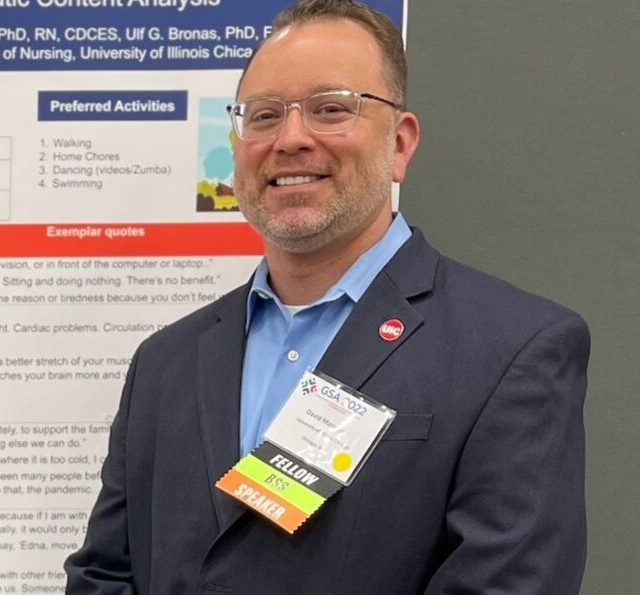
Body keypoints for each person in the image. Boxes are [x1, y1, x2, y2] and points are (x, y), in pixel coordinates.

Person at [65, 1, 590, 593]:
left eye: (331, 109)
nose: (290, 139)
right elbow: (104, 575)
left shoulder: (513, 351)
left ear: (399, 144)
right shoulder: (163, 363)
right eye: (264, 115)